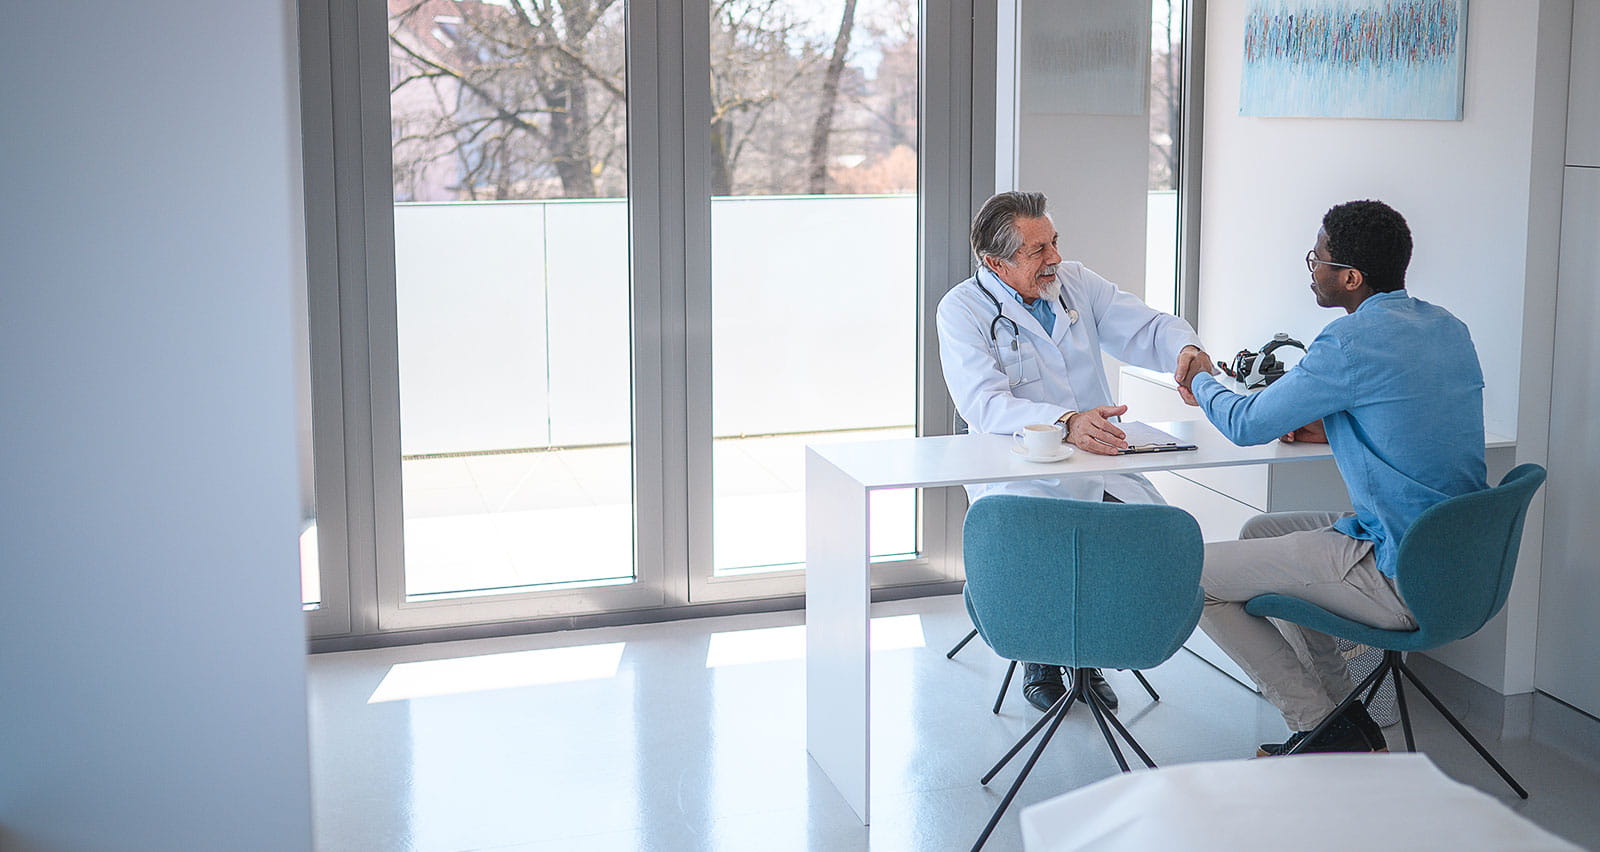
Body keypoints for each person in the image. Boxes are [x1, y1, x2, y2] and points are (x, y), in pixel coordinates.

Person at [1177, 199, 1488, 756]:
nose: (1312, 268)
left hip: (1399, 571)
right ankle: (1344, 717)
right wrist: (1337, 423)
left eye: (1317, 258)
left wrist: (1202, 380)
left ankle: (1319, 725)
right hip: (1457, 562)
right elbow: (1413, 413)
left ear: (1349, 277)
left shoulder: (1347, 343)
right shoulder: (1448, 328)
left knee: (1190, 575)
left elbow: (1246, 423)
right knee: (1258, 532)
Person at [938, 190, 1216, 712]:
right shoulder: (962, 309)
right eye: (1037, 250)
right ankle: (1041, 655)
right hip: (1019, 467)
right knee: (1042, 547)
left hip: (1101, 460)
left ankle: (1090, 653)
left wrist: (1185, 350)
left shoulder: (1076, 284)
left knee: (1137, 537)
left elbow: (1146, 327)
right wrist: (1066, 422)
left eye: (1054, 242)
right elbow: (983, 403)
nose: (1055, 259)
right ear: (995, 262)